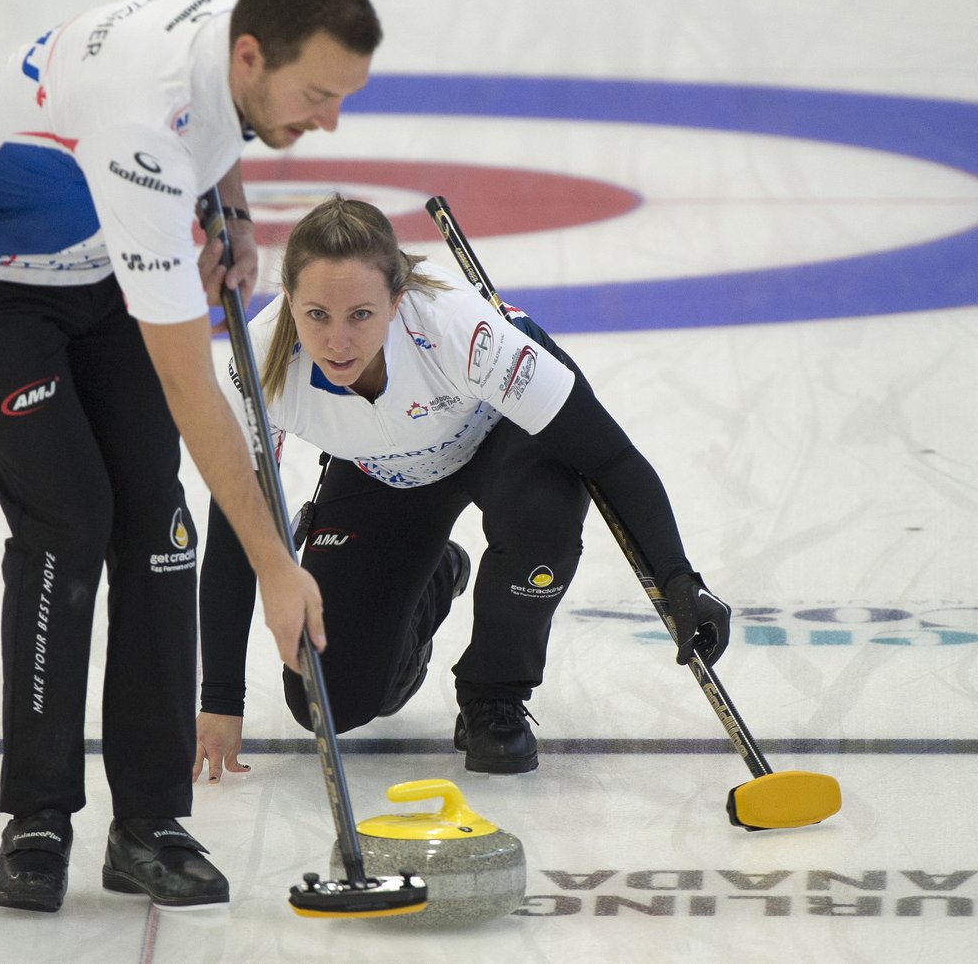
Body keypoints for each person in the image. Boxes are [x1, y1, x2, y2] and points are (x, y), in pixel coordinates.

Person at [0, 0, 381, 913]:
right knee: (70, 521)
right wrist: (277, 567)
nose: (330, 121)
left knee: (158, 532)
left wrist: (234, 210)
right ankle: (37, 818)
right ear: (252, 54)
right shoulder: (141, 135)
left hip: (98, 257)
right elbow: (189, 383)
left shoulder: (228, 34)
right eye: (319, 96)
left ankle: (150, 823)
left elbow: (218, 129)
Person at [193, 195, 731, 782]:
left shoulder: (460, 331)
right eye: (317, 315)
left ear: (397, 303)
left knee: (543, 517)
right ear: (289, 300)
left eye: (361, 315)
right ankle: (433, 577)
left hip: (498, 439)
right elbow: (236, 522)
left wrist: (680, 577)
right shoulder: (259, 366)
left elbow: (611, 457)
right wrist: (221, 698)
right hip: (381, 469)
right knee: (326, 703)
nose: (338, 342)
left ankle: (492, 694)